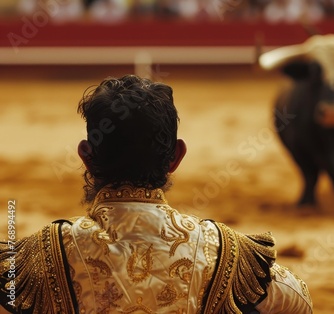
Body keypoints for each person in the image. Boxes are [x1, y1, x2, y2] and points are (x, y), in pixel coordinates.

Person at [0, 75, 313, 313]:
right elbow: (299, 301)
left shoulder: (37, 259)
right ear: (176, 157)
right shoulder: (227, 253)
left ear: (86, 155)